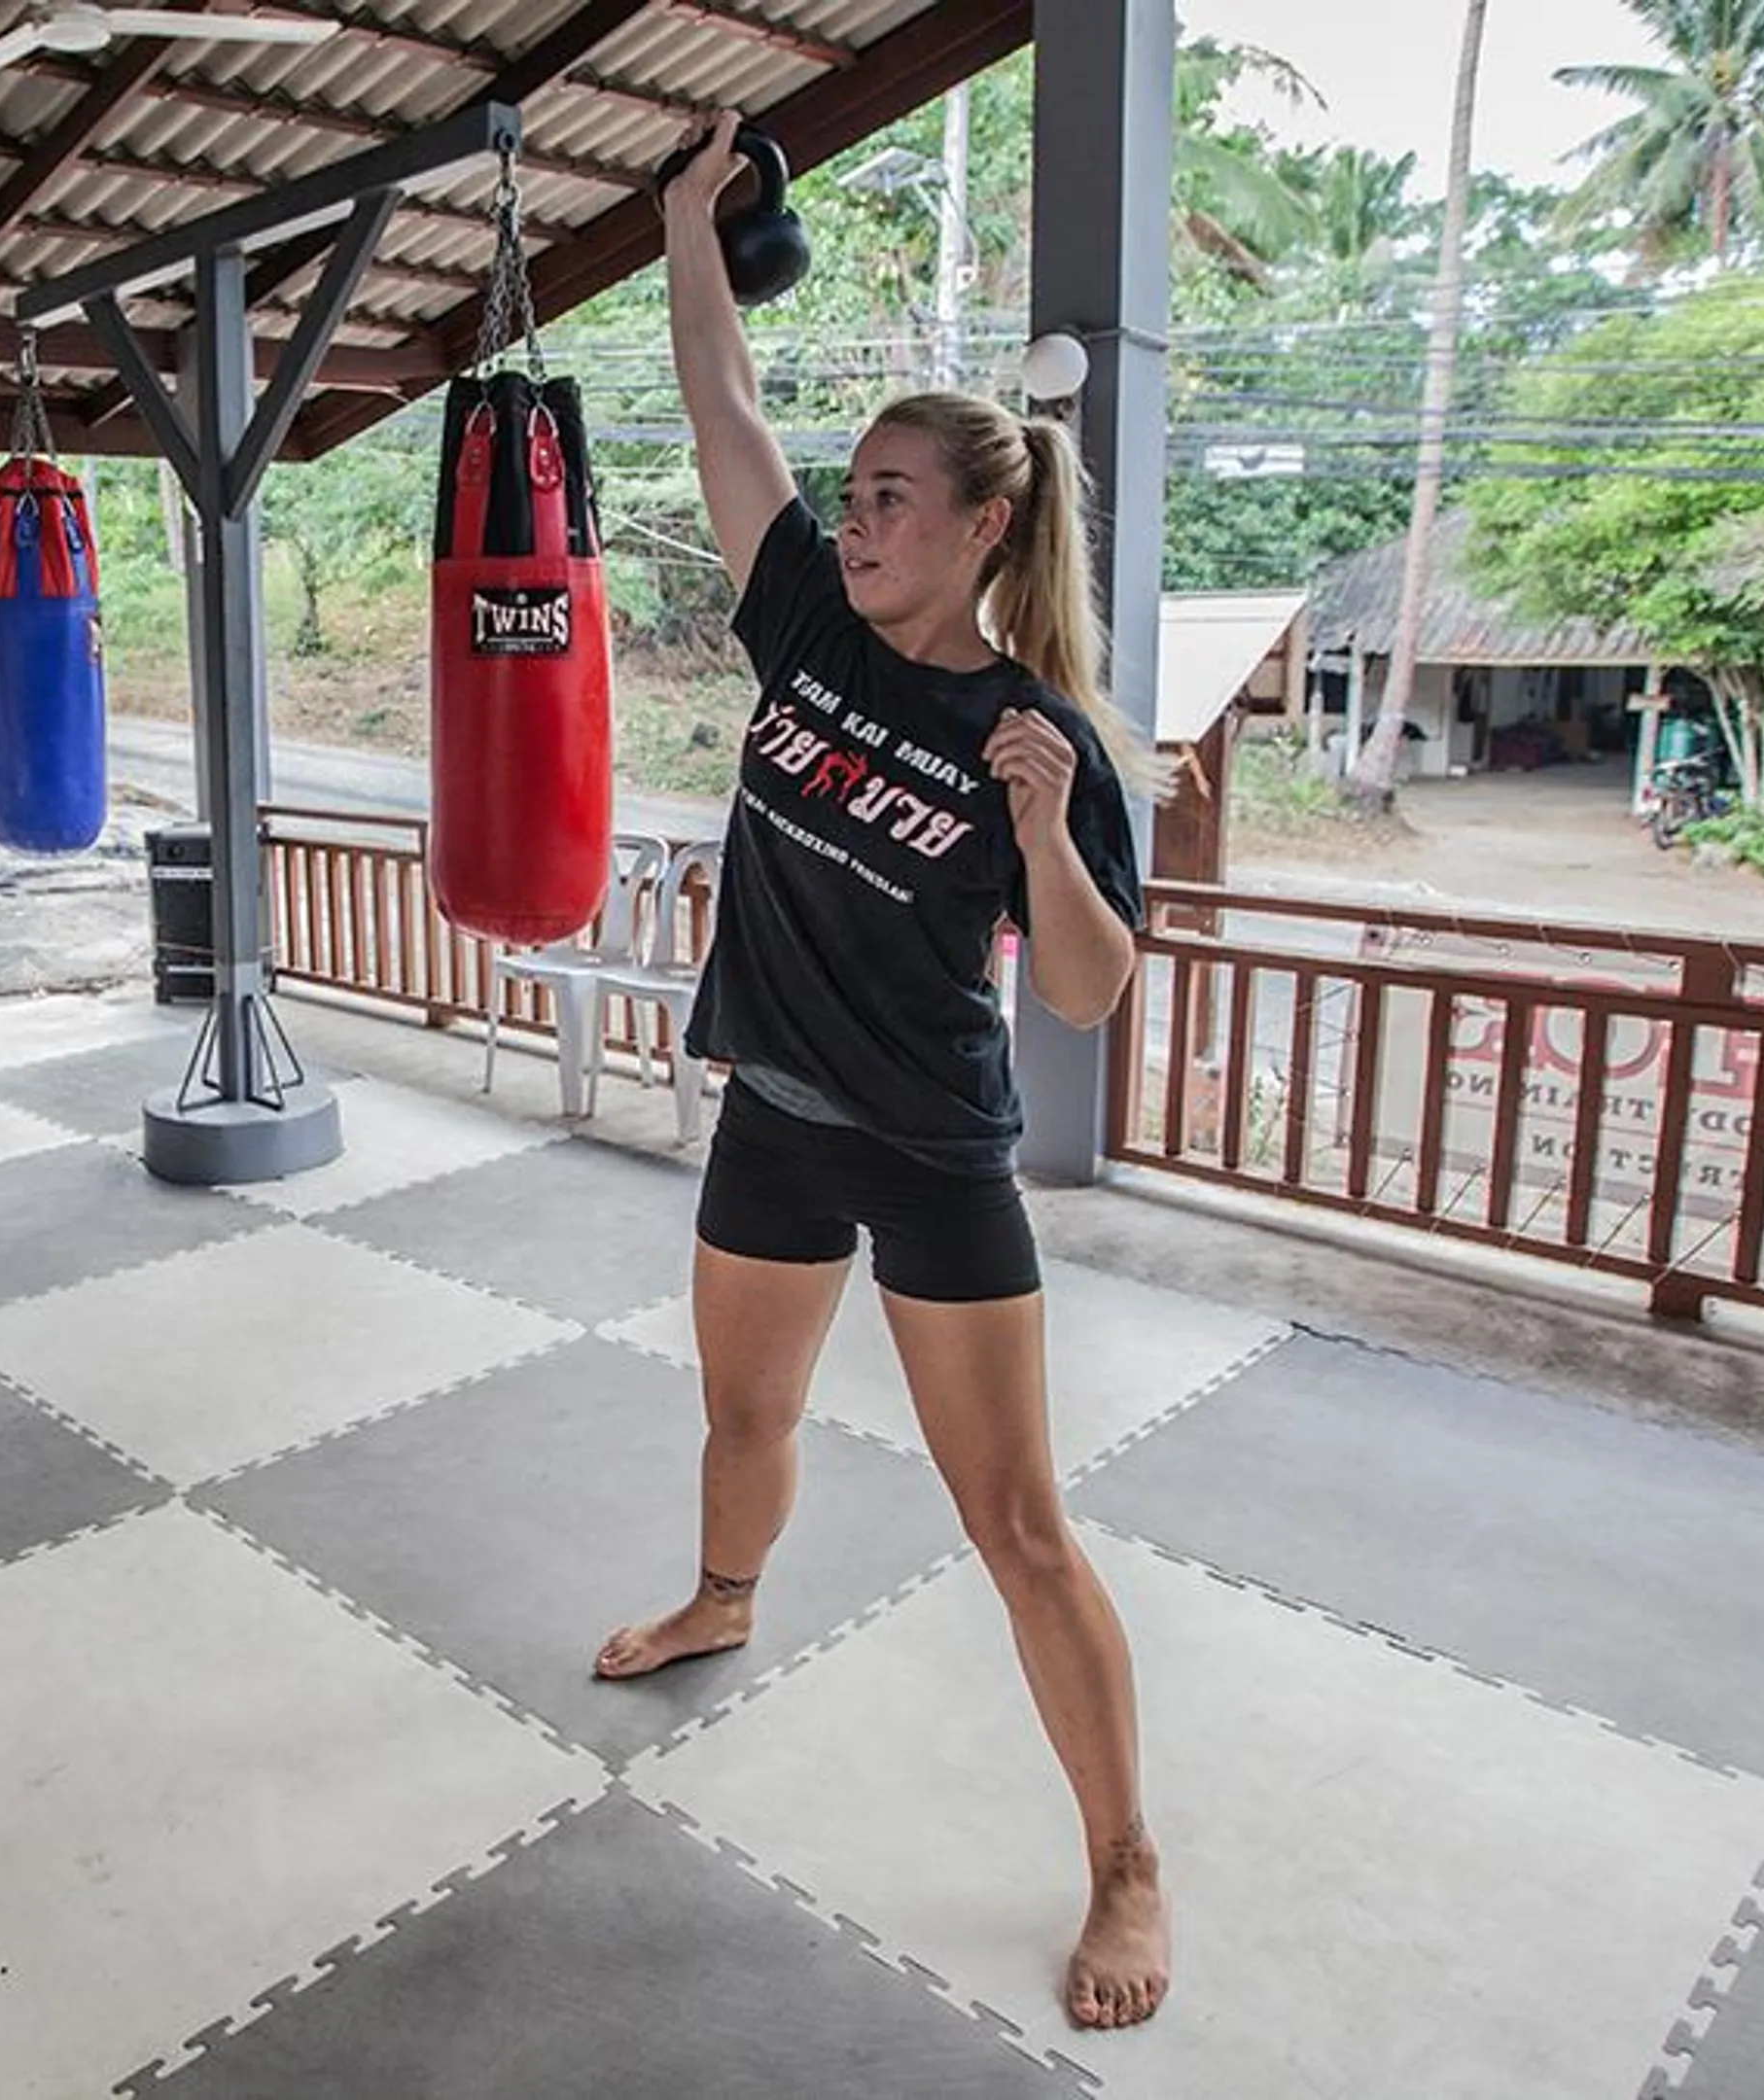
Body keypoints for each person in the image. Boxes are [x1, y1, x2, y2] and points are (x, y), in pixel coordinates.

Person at [593, 113, 1172, 2032]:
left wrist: (1048, 834)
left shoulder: (1037, 734)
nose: (853, 523)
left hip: (933, 1154)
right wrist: (685, 226)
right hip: (775, 1113)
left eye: (892, 500)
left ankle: (1125, 1860)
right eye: (852, 496)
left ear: (985, 526)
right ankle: (724, 1597)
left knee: (1016, 1525)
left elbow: (1082, 991)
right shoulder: (809, 631)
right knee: (741, 1420)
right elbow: (723, 401)